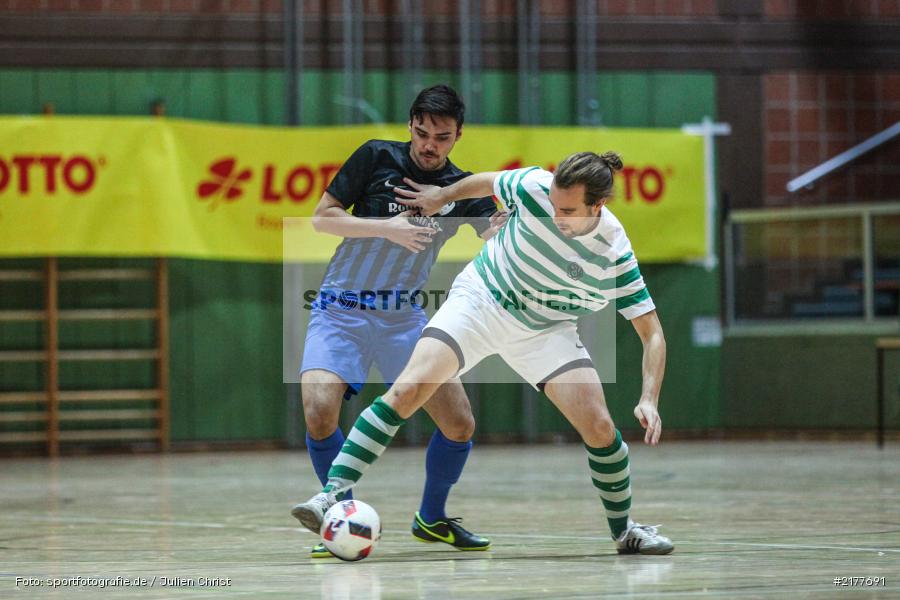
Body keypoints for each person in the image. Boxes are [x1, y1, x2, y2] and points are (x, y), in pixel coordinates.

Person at [292, 151, 675, 555]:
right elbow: (485, 182)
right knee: (408, 390)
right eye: (554, 203)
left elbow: (652, 334)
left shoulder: (613, 252)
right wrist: (441, 197)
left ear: (598, 205)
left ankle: (625, 531)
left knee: (600, 428)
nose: (555, 214)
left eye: (567, 210)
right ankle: (329, 497)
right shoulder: (534, 187)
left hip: (546, 330)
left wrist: (649, 399)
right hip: (481, 300)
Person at [294, 84, 500, 557]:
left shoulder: (458, 188)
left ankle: (431, 518)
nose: (430, 145)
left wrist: (517, 218)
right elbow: (322, 219)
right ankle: (339, 516)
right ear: (410, 125)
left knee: (460, 424)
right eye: (423, 133)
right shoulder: (375, 157)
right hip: (340, 307)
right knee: (319, 411)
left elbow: (497, 230)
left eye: (442, 137)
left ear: (458, 136)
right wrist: (387, 227)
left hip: (403, 318)